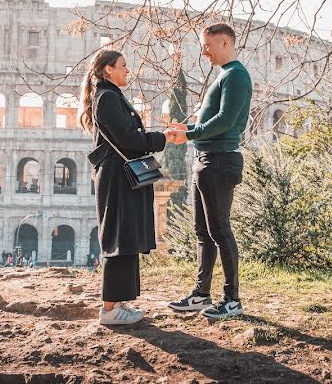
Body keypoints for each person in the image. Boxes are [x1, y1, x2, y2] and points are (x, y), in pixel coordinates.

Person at [79, 49, 179, 326]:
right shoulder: (107, 98)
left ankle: (118, 303)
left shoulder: (109, 95)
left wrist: (156, 137)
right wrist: (163, 138)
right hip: (117, 177)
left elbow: (128, 136)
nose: (127, 70)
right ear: (108, 69)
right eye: (123, 66)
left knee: (125, 238)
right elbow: (129, 139)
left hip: (120, 176)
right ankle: (109, 309)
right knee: (118, 238)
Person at [165, 23, 252, 320]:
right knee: (203, 231)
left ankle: (232, 299)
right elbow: (210, 122)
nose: (203, 51)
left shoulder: (236, 76)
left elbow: (226, 121)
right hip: (205, 159)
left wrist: (190, 135)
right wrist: (186, 130)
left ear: (225, 42)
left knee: (220, 230)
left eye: (207, 45)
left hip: (220, 161)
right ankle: (201, 294)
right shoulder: (223, 76)